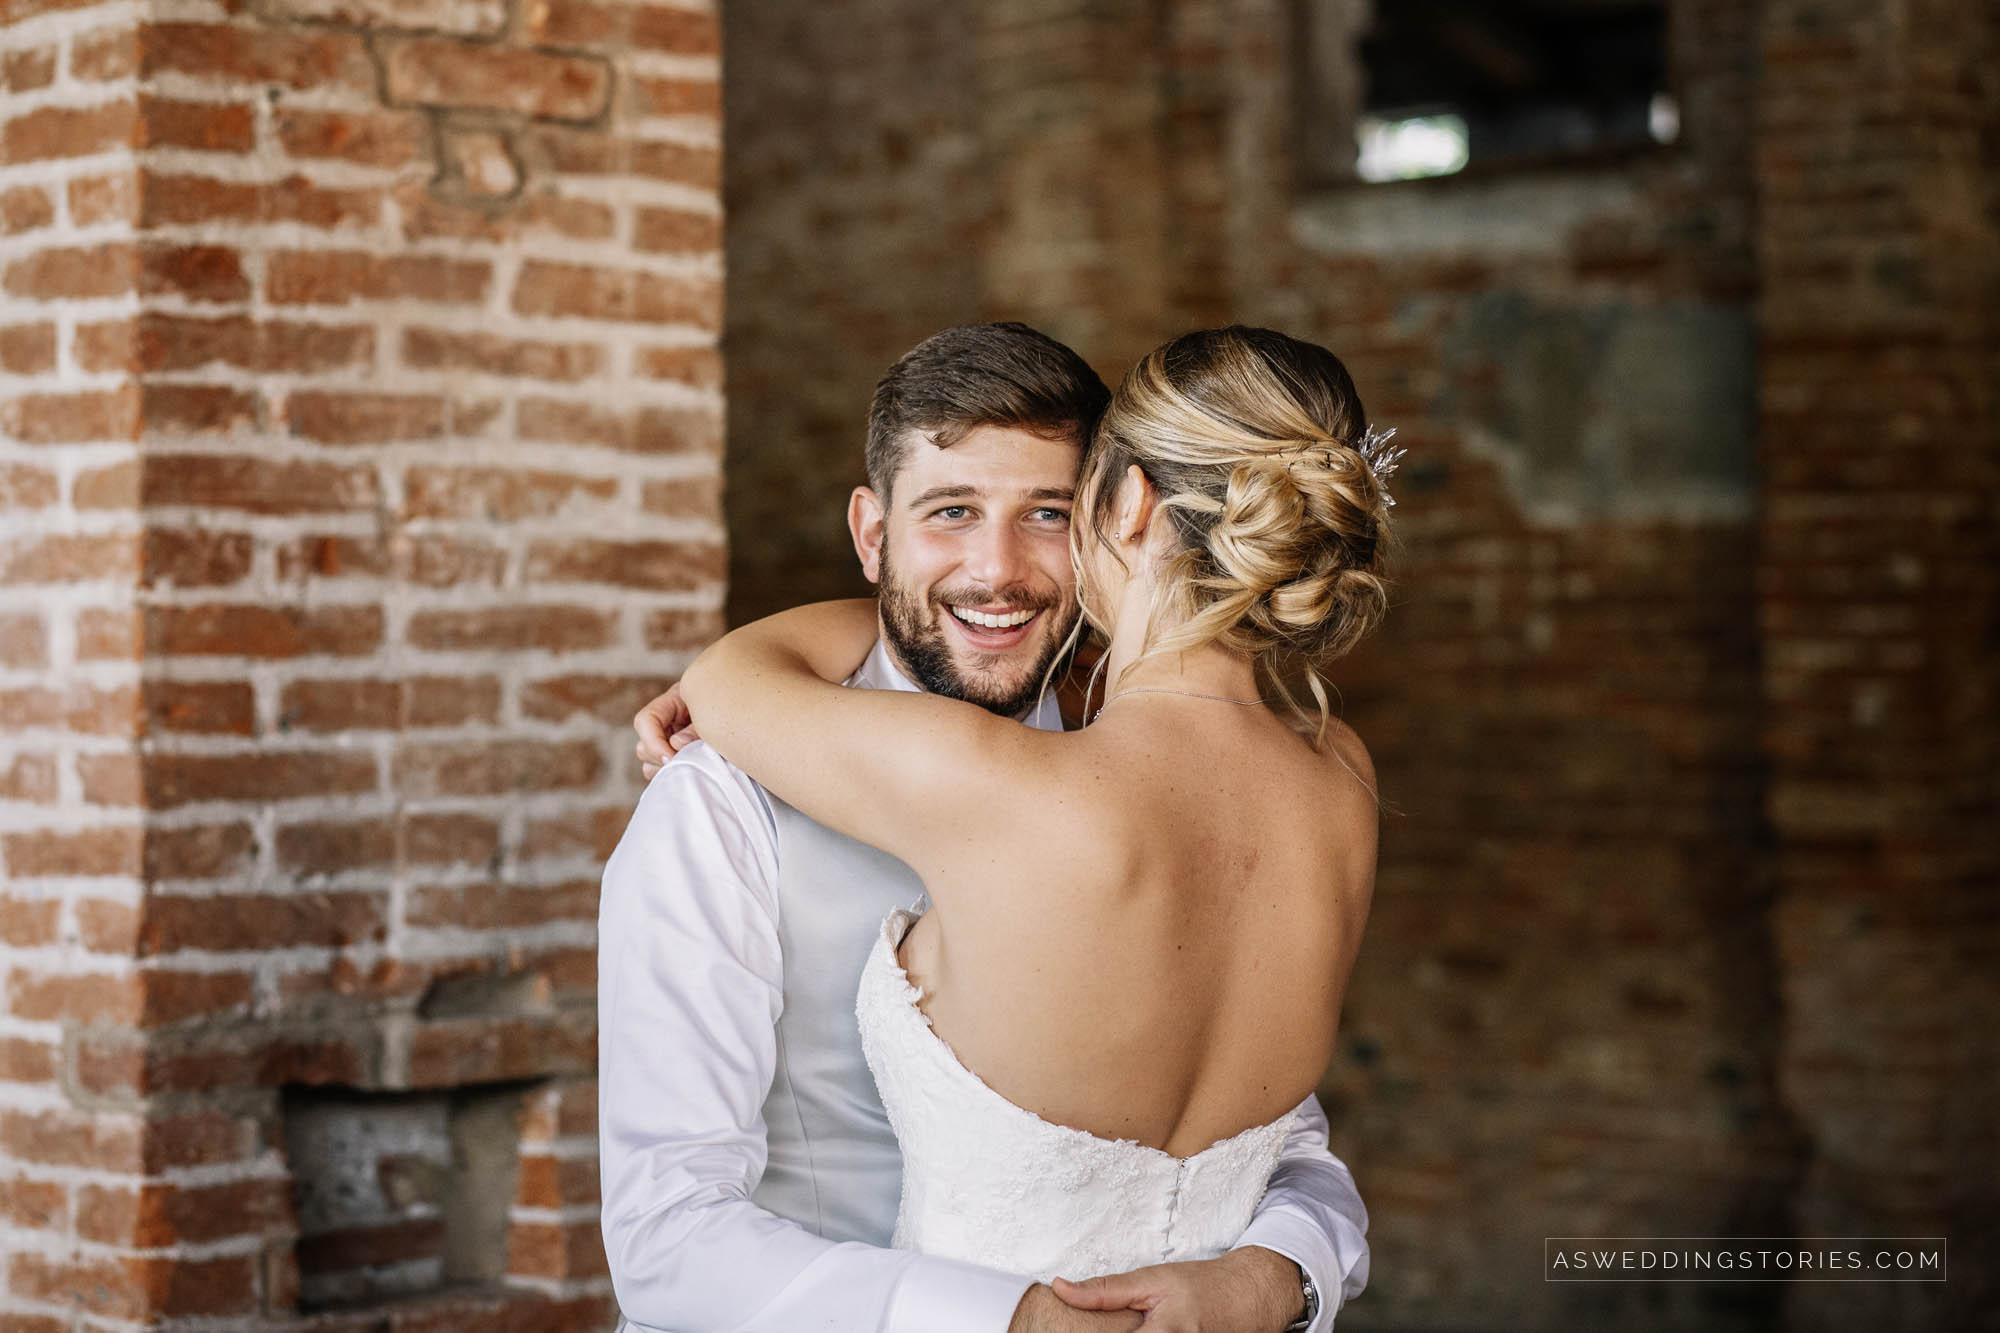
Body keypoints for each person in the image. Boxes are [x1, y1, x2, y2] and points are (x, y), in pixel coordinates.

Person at [599, 323, 1371, 1333]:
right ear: (872, 535)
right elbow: (665, 1238)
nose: (996, 570)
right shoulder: (721, 800)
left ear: (1114, 509)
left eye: (1047, 513)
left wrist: (1277, 1272)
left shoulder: (1101, 767)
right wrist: (1004, 1316)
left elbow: (1276, 1137)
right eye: (951, 512)